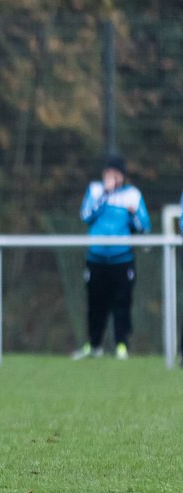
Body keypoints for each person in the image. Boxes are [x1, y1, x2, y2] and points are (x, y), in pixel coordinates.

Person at [72, 153, 150, 360]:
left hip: (122, 260)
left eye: (116, 173)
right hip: (96, 258)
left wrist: (134, 213)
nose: (112, 177)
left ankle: (121, 345)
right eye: (109, 173)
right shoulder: (95, 190)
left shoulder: (133, 195)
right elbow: (85, 215)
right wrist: (104, 195)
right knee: (95, 304)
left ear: (123, 176)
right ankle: (94, 345)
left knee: (122, 303)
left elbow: (144, 227)